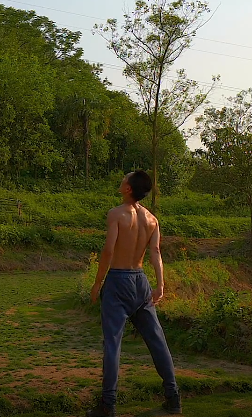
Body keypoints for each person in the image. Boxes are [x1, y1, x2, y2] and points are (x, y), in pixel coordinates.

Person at [87, 170, 181, 417]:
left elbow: (108, 251)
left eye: (124, 179)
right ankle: (173, 398)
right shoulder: (152, 219)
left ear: (128, 188)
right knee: (157, 341)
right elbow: (156, 252)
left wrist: (98, 283)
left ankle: (108, 405)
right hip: (141, 281)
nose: (121, 180)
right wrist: (160, 285)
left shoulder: (116, 214)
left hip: (118, 280)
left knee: (112, 343)